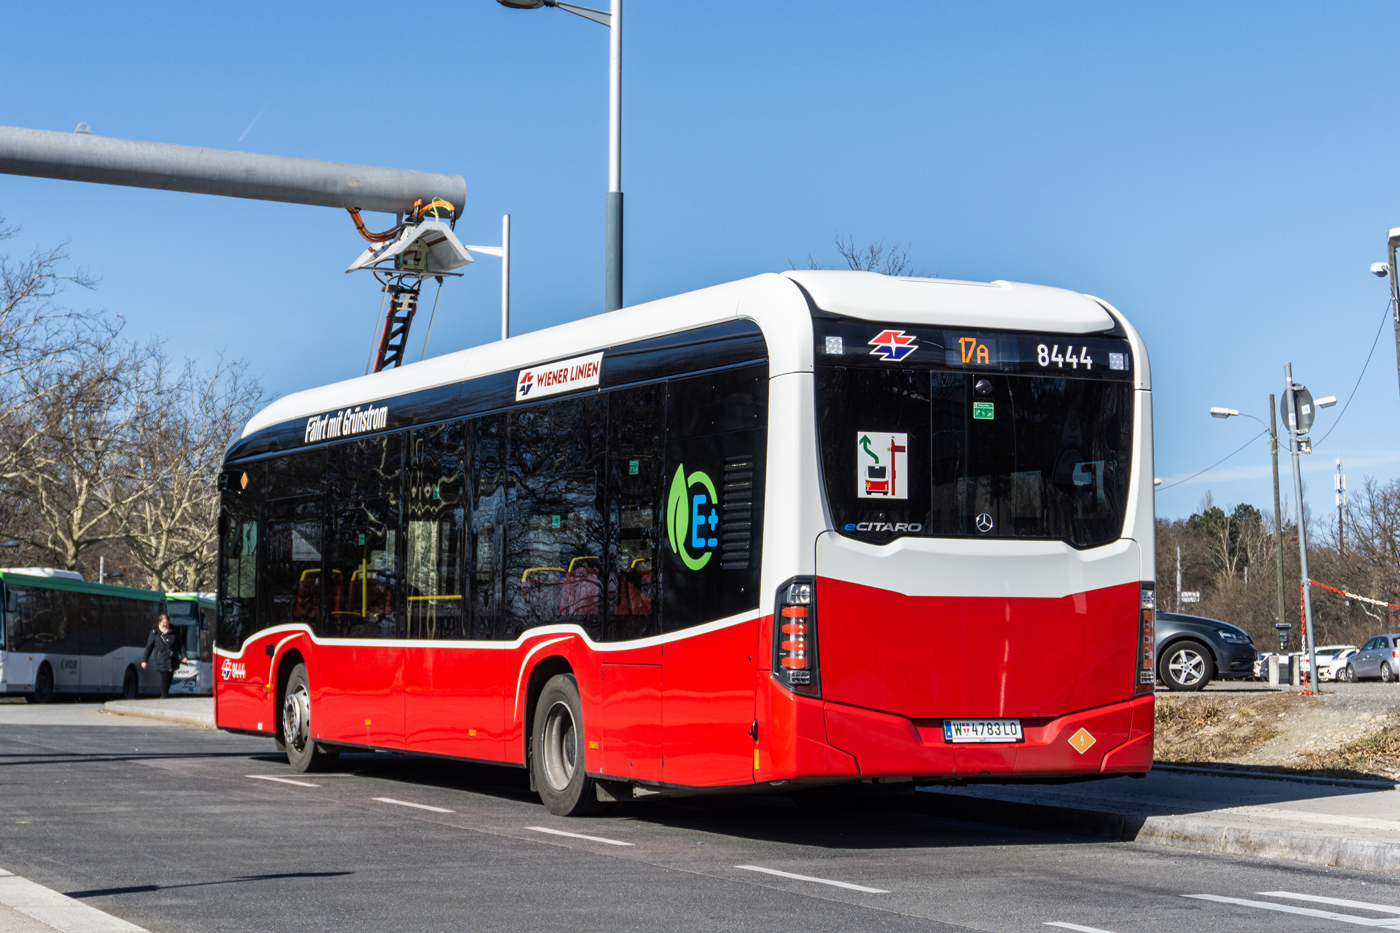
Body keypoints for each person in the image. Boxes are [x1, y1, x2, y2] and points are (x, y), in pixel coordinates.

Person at [141, 612, 186, 699]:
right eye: (163, 622)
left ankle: (165, 695)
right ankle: (164, 696)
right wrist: (144, 660)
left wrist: (184, 656)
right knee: (164, 677)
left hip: (172, 659)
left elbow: (180, 645)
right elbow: (149, 647)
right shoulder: (155, 633)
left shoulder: (174, 632)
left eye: (166, 622)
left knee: (169, 678)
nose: (165, 624)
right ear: (159, 622)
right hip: (160, 659)